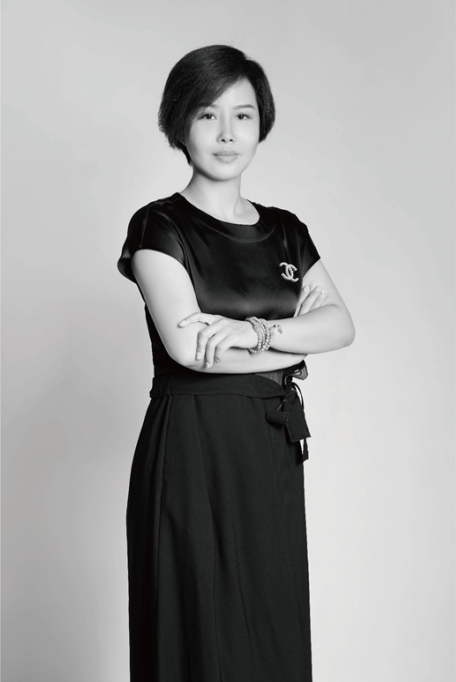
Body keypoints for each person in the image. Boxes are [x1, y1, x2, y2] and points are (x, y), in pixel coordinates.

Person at [117, 44, 355, 682]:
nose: (227, 133)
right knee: (197, 622)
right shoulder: (159, 226)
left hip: (270, 444)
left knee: (271, 624)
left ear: (261, 124)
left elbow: (341, 326)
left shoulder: (286, 230)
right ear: (179, 123)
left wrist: (252, 332)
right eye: (208, 115)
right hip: (193, 443)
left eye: (242, 116)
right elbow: (191, 352)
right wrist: (294, 340)